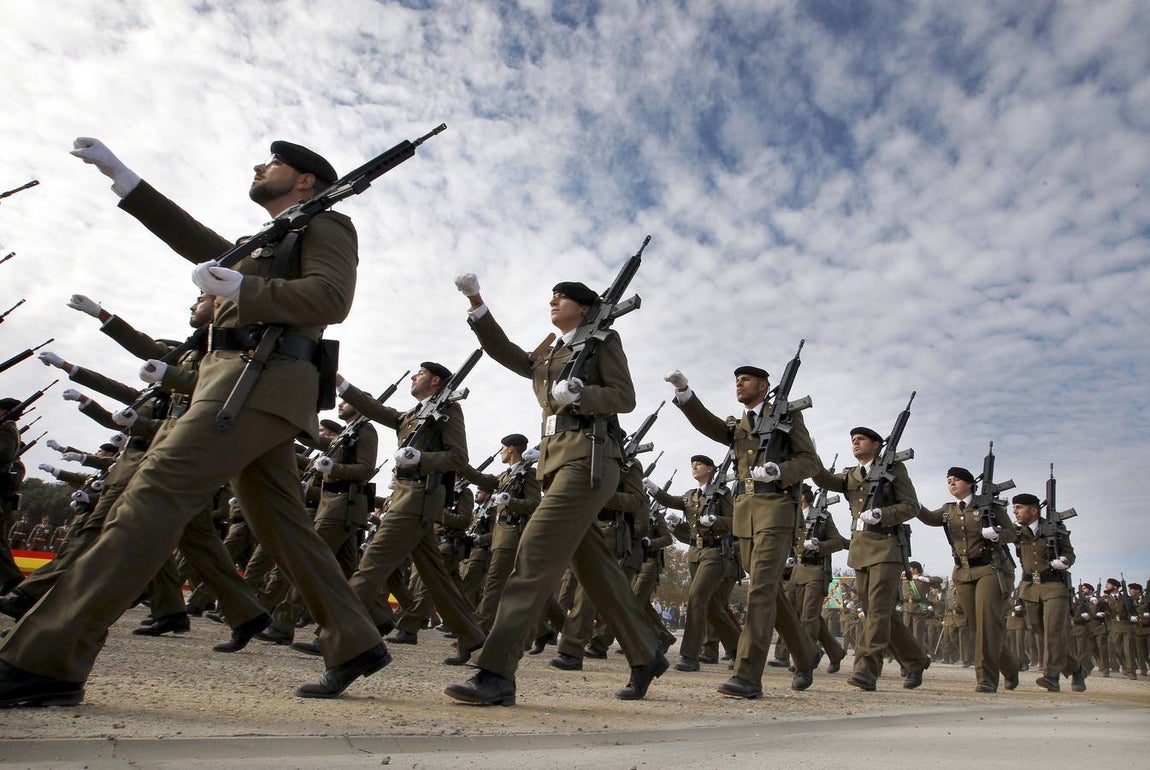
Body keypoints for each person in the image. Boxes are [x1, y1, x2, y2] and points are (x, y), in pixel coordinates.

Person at [0, 137, 388, 708]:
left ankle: (49, 658)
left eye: (275, 163)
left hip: (257, 380)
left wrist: (246, 288)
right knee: (281, 522)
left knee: (152, 493)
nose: (260, 165)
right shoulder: (271, 238)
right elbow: (198, 242)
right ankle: (354, 641)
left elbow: (330, 298)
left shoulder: (328, 225)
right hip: (237, 382)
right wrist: (126, 178)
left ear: (306, 181)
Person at [445, 273, 665, 705]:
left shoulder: (604, 340)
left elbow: (624, 397)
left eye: (560, 298)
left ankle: (496, 672)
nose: (552, 302)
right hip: (557, 462)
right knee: (594, 569)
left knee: (535, 552)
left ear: (583, 307)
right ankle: (645, 652)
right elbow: (507, 354)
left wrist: (581, 394)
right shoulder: (553, 350)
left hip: (589, 458)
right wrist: (477, 302)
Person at [664, 363, 820, 697]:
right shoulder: (741, 425)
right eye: (736, 379)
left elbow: (811, 463)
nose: (738, 383)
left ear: (764, 386)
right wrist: (685, 393)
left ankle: (748, 675)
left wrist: (780, 470)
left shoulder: (789, 418)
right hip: (744, 514)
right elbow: (710, 425)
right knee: (770, 591)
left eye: (745, 379)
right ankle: (806, 654)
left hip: (777, 510)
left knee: (761, 590)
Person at [339, 364, 485, 665]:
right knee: (437, 578)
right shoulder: (412, 415)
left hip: (420, 497)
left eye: (419, 374)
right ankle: (471, 637)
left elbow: (459, 458)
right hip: (407, 497)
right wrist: (343, 386)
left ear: (435, 381)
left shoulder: (448, 410)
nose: (414, 377)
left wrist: (421, 458)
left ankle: (336, 634)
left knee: (372, 563)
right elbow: (376, 409)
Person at [813, 427, 930, 692]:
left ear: (877, 444)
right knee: (882, 613)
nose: (855, 442)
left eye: (861, 439)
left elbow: (911, 506)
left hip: (887, 546)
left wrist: (882, 514)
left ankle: (866, 669)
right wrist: (811, 455)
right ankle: (915, 660)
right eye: (852, 440)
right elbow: (823, 480)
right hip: (861, 549)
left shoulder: (894, 469)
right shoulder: (850, 475)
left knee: (876, 610)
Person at [918, 467, 1019, 693]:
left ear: (970, 484)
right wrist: (910, 501)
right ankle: (1010, 668)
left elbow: (1013, 533)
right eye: (948, 481)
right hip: (963, 572)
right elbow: (926, 517)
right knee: (976, 626)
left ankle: (986, 679)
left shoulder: (989, 507)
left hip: (990, 570)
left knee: (987, 624)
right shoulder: (948, 510)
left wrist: (998, 535)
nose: (951, 484)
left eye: (956, 480)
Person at [647, 454, 741, 672]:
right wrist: (654, 489)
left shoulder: (722, 494)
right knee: (710, 605)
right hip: (695, 553)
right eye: (692, 464)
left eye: (699, 464)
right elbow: (672, 501)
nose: (694, 467)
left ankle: (689, 656)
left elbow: (737, 522)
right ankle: (739, 649)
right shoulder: (691, 496)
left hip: (716, 552)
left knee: (696, 598)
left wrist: (717, 520)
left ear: (710, 468)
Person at [1011, 492, 1087, 692]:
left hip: (1054, 586)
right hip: (1029, 587)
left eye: (1019, 507)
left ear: (1034, 510)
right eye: (1014, 507)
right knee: (1041, 633)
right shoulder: (1018, 532)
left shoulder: (1055, 529)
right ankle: (1077, 668)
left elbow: (1069, 552)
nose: (1014, 511)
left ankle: (1051, 676)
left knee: (1053, 632)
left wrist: (1064, 561)